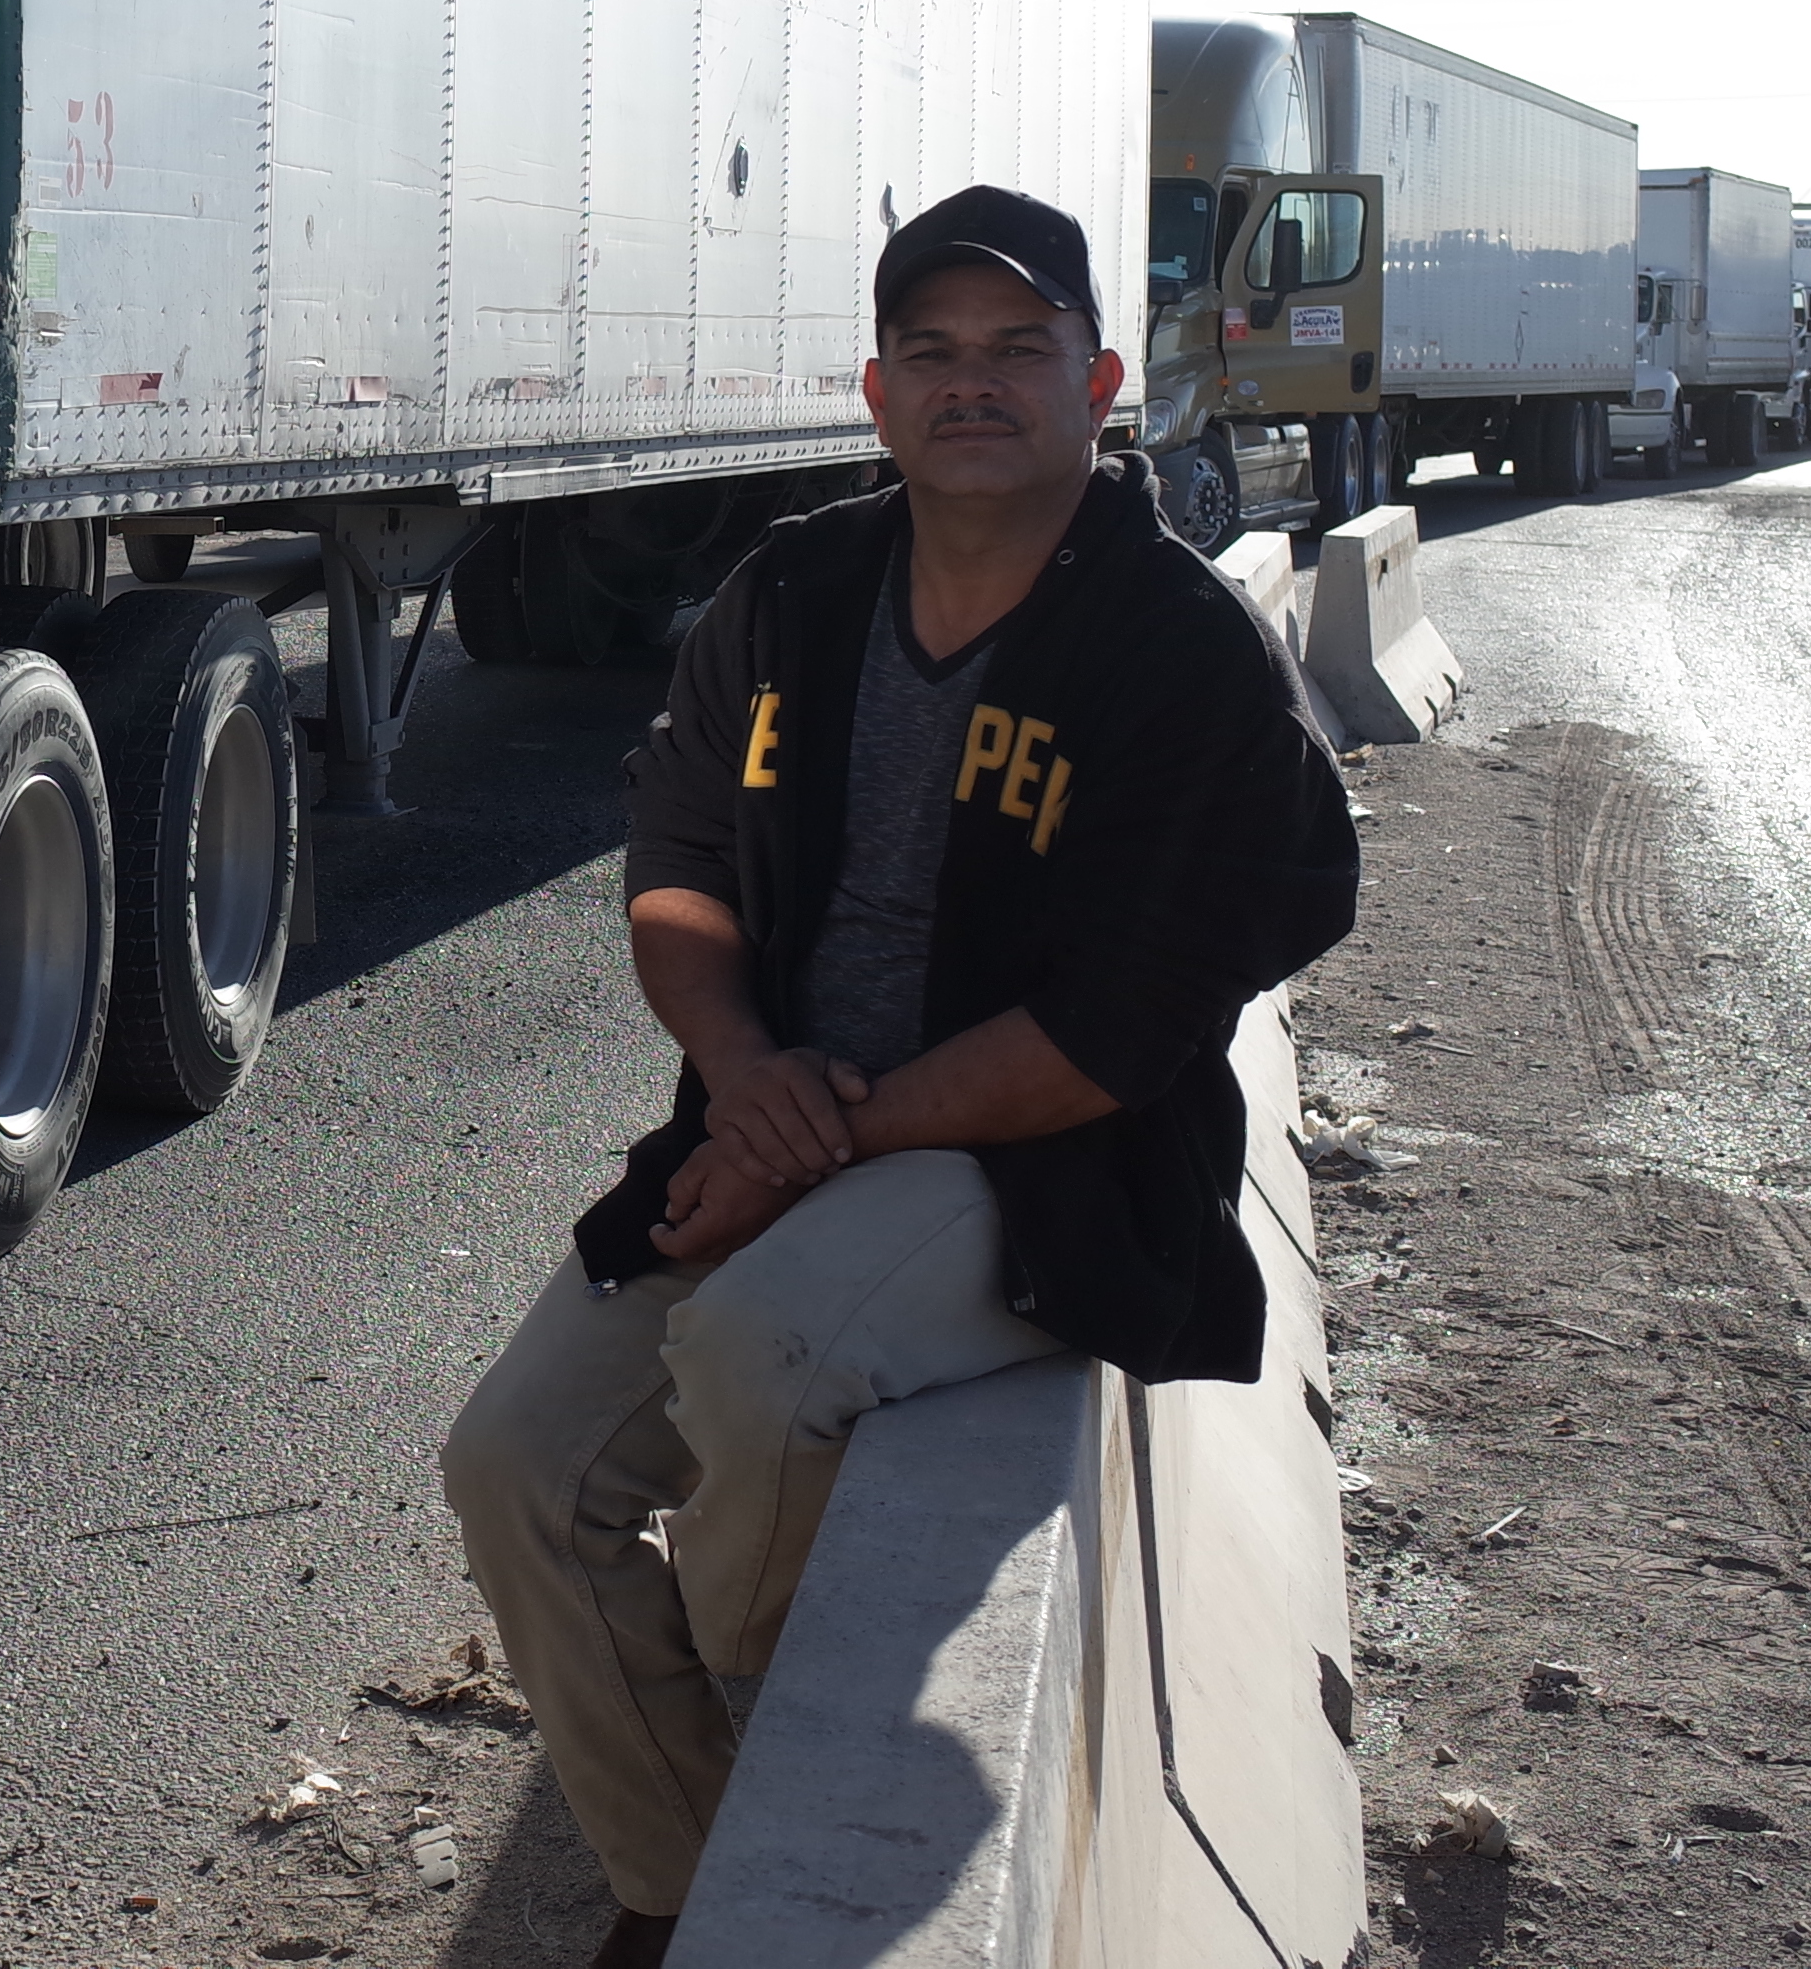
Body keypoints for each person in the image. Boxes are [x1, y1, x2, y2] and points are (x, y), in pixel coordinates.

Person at [436, 186, 1361, 1967]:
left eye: (1017, 348)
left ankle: (789, 1775)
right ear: (873, 395)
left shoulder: (1171, 648)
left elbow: (1120, 1022)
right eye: (928, 352)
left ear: (1100, 380)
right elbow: (676, 867)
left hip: (1047, 1156)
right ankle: (686, 1873)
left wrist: (814, 1131)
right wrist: (742, 1070)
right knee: (512, 1461)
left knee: (760, 1353)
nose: (971, 384)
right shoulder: (790, 590)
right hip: (772, 1109)